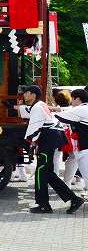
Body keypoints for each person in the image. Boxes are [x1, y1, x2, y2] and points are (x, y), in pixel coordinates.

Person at [17, 85, 84, 214]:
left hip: (49, 138)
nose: (24, 95)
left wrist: (30, 142)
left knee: (41, 171)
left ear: (33, 95)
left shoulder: (37, 107)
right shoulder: (40, 104)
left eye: (26, 93)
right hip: (52, 137)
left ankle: (44, 205)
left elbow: (34, 127)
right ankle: (73, 199)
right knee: (47, 173)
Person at [55, 89, 88, 193]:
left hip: (84, 148)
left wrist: (50, 111)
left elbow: (60, 116)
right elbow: (67, 110)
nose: (71, 102)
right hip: (82, 148)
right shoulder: (84, 108)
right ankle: (67, 186)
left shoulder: (81, 109)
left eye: (72, 99)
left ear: (77, 99)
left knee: (86, 173)